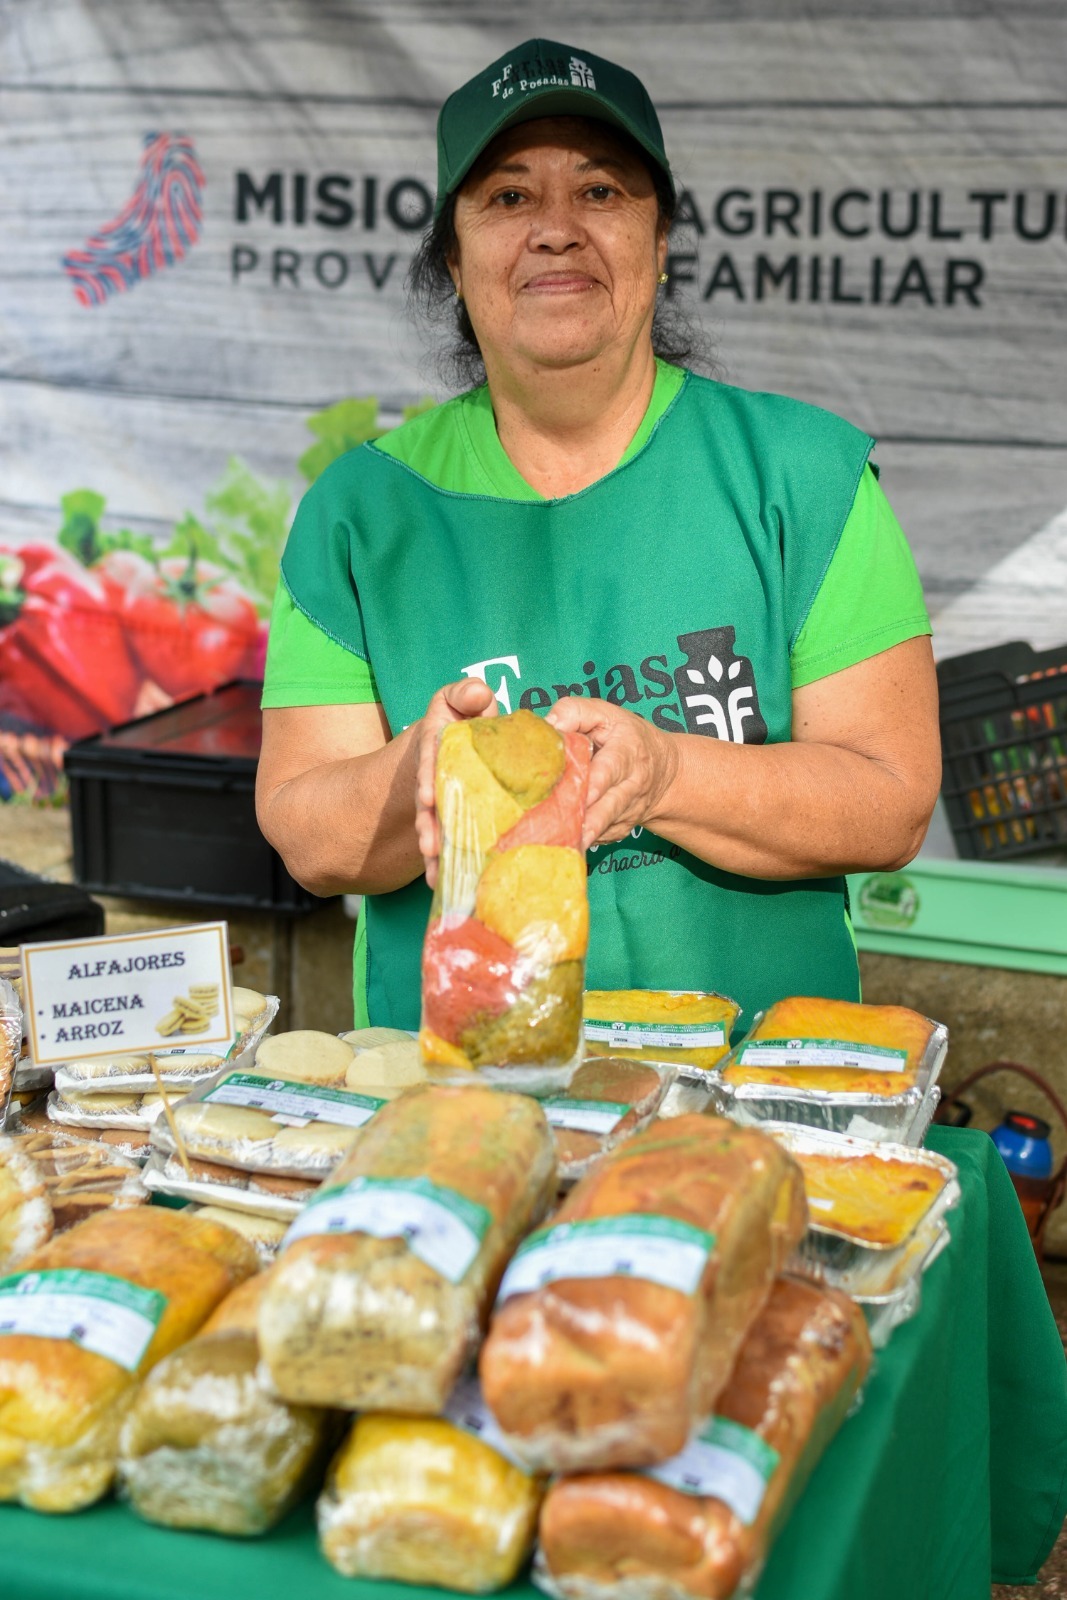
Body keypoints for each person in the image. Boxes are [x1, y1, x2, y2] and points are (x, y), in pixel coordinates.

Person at [256, 37, 941, 1037]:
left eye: (601, 192)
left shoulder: (800, 474)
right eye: (507, 198)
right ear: (453, 256)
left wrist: (665, 774)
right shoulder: (361, 511)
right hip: (464, 1092)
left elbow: (890, 800)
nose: (555, 231)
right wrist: (419, 777)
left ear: (659, 239)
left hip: (750, 1085)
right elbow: (308, 835)